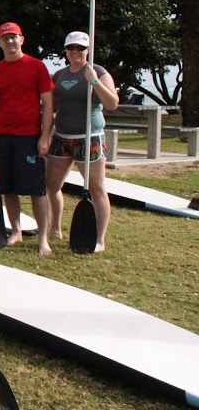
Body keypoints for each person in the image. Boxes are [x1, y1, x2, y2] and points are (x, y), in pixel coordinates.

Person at [0, 22, 54, 249]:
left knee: (36, 189)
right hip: (3, 136)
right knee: (8, 188)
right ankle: (16, 230)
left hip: (29, 137)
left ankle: (43, 237)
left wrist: (44, 137)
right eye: (5, 38)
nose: (10, 41)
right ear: (0, 43)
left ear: (21, 39)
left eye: (14, 37)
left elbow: (48, 103)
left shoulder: (36, 66)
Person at [44, 31, 118, 254]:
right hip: (62, 137)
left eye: (80, 48)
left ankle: (99, 240)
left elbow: (112, 103)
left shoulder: (98, 72)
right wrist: (44, 135)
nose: (75, 52)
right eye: (71, 48)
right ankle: (55, 228)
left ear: (87, 50)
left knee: (96, 188)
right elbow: (51, 107)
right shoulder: (59, 75)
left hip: (90, 137)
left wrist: (94, 81)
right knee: (51, 186)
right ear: (66, 51)